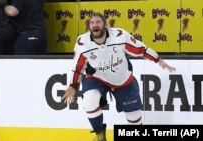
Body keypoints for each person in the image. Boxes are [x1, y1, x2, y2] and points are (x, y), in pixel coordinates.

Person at [62, 12, 176, 141]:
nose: (95, 25)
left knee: (134, 118)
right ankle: (100, 134)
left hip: (123, 80)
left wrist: (157, 59)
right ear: (89, 26)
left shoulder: (119, 36)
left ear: (104, 24)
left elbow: (140, 49)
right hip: (98, 78)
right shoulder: (83, 43)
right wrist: (73, 85)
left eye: (98, 22)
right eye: (92, 23)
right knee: (89, 99)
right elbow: (78, 67)